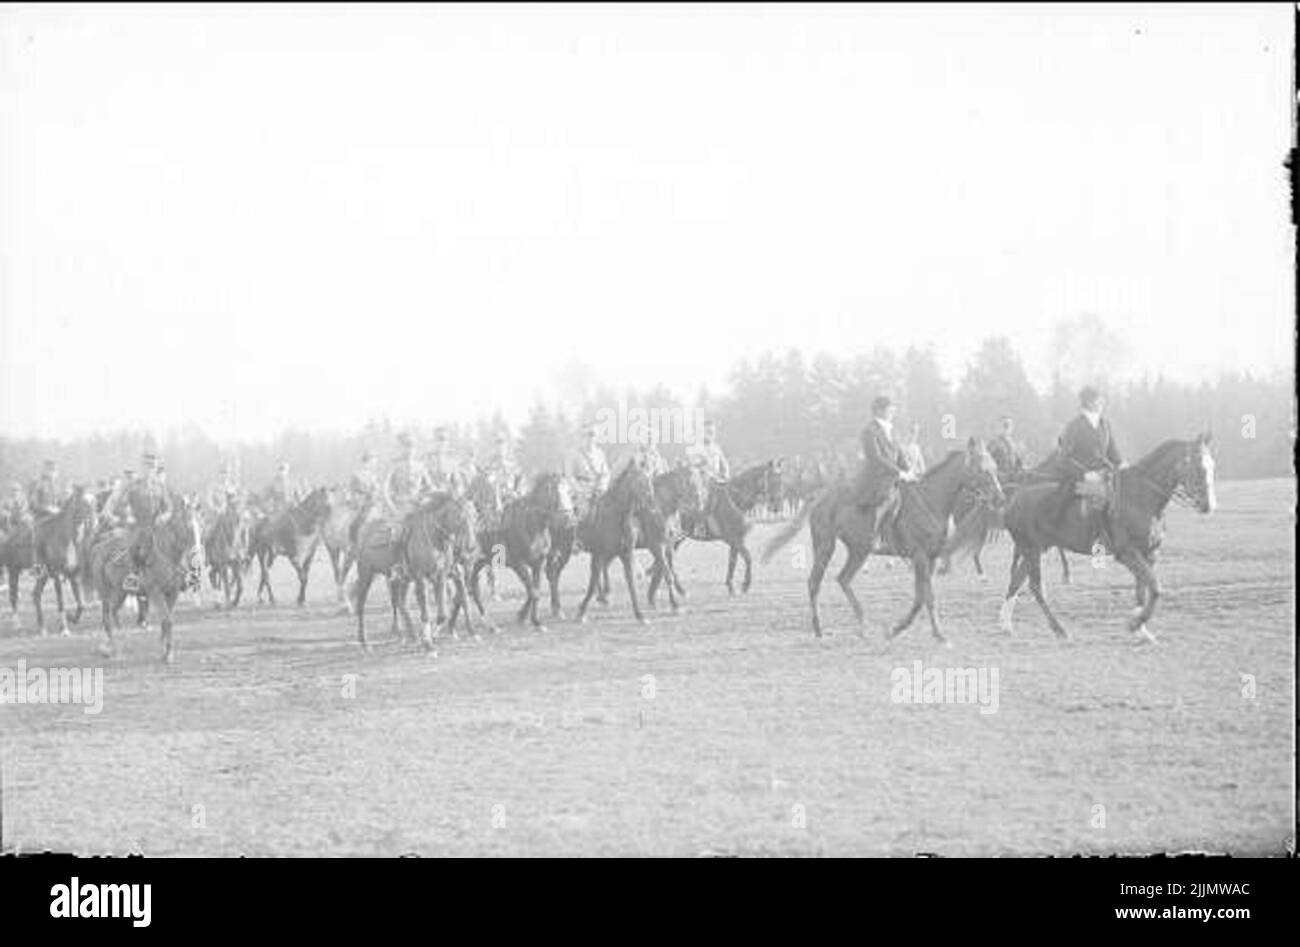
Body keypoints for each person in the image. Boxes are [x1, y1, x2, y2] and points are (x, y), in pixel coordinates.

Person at [1046, 386, 1123, 537]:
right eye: (1099, 399)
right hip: (1078, 477)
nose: (1103, 402)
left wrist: (1123, 465)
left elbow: (1113, 453)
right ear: (1089, 402)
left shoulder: (1105, 424)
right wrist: (1085, 474)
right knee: (1098, 500)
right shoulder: (1074, 426)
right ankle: (1096, 546)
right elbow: (1064, 458)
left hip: (1104, 475)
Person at [853, 395, 918, 546]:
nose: (893, 412)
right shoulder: (869, 431)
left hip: (893, 476)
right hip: (876, 479)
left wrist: (910, 472)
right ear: (879, 410)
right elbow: (876, 458)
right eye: (891, 409)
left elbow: (900, 454)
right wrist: (899, 473)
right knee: (888, 499)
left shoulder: (892, 430)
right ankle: (872, 536)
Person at [123, 452, 176, 591]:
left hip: (156, 526)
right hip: (139, 525)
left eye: (152, 467)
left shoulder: (160, 487)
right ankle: (132, 578)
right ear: (142, 468)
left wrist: (164, 516)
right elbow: (125, 503)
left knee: (173, 543)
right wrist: (129, 514)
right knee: (133, 548)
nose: (150, 470)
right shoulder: (134, 485)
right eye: (147, 466)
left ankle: (174, 576)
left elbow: (169, 507)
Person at [383, 433, 435, 520]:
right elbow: (384, 490)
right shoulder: (394, 466)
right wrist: (392, 508)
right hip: (399, 507)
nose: (410, 450)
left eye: (413, 446)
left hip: (418, 507)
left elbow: (430, 487)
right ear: (400, 448)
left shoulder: (421, 466)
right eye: (406, 446)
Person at [568, 423, 611, 524]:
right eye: (587, 435)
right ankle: (576, 537)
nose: (590, 439)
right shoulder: (575, 454)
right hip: (581, 492)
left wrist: (601, 487)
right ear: (582, 437)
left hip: (598, 492)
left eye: (593, 435)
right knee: (580, 516)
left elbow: (605, 474)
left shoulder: (600, 454)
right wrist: (580, 491)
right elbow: (570, 476)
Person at [427, 427, 464, 495]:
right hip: (431, 497)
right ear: (433, 441)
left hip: (447, 497)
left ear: (447, 442)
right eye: (438, 439)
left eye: (444, 439)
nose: (441, 442)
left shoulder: (451, 461)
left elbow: (458, 483)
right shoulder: (427, 460)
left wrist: (456, 490)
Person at [988, 415, 1026, 481]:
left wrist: (1022, 470)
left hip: (1014, 479)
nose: (1007, 428)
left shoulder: (1013, 445)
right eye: (1005, 425)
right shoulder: (993, 445)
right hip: (999, 480)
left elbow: (1019, 463)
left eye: (1009, 426)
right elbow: (988, 465)